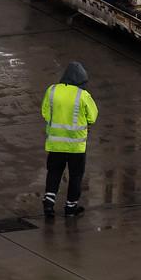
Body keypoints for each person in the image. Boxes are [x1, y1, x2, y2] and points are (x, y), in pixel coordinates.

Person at [41, 61, 99, 216]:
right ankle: (70, 207)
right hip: (76, 147)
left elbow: (45, 112)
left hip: (55, 144)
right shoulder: (83, 95)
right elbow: (92, 117)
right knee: (75, 176)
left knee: (53, 172)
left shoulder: (52, 90)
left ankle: (49, 203)